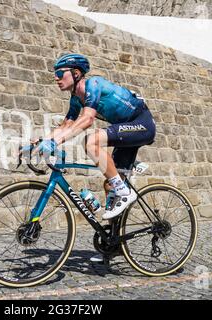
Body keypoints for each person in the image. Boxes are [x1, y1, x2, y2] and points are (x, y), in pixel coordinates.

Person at [33, 53, 156, 259]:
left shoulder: (94, 85)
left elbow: (88, 119)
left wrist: (54, 143)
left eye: (59, 73)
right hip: (125, 129)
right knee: (110, 184)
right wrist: (40, 143)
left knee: (91, 141)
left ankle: (124, 192)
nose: (55, 77)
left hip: (142, 123)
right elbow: (66, 125)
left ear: (76, 73)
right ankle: (114, 243)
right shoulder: (75, 99)